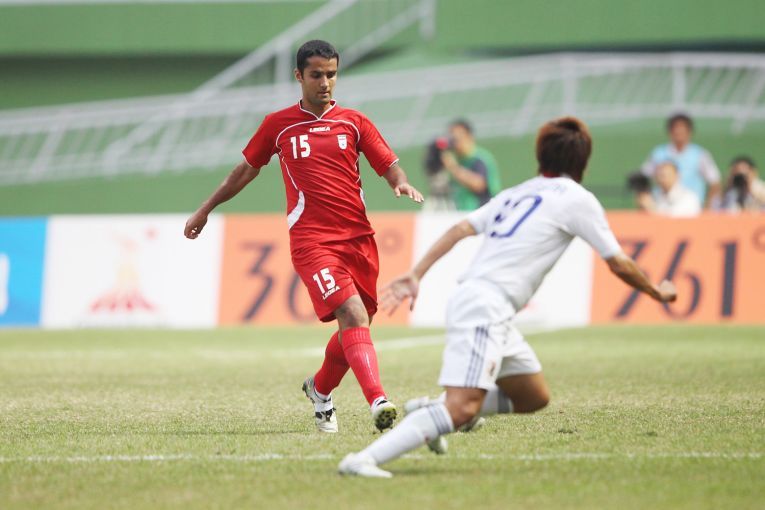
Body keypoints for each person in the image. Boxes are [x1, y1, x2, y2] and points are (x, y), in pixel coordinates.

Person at [338, 117, 677, 478]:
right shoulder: (578, 199)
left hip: (487, 304)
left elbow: (460, 228)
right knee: (462, 409)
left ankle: (430, 409)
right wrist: (656, 291)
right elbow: (618, 262)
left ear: (540, 155)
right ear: (583, 161)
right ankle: (363, 460)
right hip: (485, 305)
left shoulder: (519, 192)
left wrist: (418, 272)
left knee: (532, 395)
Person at [184, 40, 423, 433]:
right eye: (316, 75)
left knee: (357, 325)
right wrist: (205, 208)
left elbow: (388, 163)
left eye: (331, 74)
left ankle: (320, 390)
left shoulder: (354, 122)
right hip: (313, 242)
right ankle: (378, 400)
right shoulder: (278, 124)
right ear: (299, 76)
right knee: (353, 315)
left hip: (359, 240)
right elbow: (244, 171)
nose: (325, 82)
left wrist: (400, 182)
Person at [641, 113, 721, 207]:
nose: (678, 132)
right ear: (669, 131)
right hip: (662, 207)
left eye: (682, 128)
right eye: (675, 128)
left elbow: (715, 182)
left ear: (689, 131)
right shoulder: (658, 153)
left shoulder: (700, 155)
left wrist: (707, 209)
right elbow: (643, 178)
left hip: (692, 208)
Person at [440, 119, 502, 210]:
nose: (454, 142)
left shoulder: (479, 159)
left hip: (482, 212)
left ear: (469, 137)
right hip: (461, 214)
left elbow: (479, 185)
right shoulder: (458, 161)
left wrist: (453, 168)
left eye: (457, 138)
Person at [635, 161, 701, 217]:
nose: (661, 179)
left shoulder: (689, 198)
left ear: (677, 175)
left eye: (664, 175)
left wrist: (653, 209)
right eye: (658, 175)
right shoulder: (655, 195)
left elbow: (676, 218)